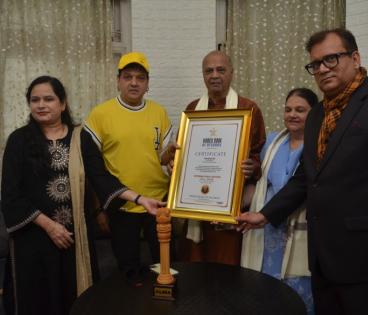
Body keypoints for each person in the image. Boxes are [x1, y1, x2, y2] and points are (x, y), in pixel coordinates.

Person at [237, 28, 368, 315]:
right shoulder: (318, 115)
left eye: (331, 59)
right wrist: (265, 214)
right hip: (322, 259)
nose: (322, 69)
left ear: (356, 57)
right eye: (315, 64)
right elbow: (308, 177)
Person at [0, 76, 164, 314]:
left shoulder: (80, 138)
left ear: (63, 103)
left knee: (75, 300)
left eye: (49, 99)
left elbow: (101, 177)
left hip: (73, 238)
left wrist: (139, 199)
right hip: (33, 238)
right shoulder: (19, 140)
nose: (41, 105)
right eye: (35, 100)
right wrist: (49, 226)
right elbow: (10, 194)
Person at [82, 52, 173, 285]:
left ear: (148, 84)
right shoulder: (99, 115)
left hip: (159, 203)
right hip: (121, 206)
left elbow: (164, 159)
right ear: (118, 80)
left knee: (164, 267)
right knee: (128, 270)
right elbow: (92, 170)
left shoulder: (159, 113)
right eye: (128, 76)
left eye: (140, 78)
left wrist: (173, 160)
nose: (134, 82)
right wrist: (98, 209)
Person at [179, 50, 266, 266]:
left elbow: (259, 153)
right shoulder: (192, 110)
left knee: (227, 269)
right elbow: (186, 153)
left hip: (232, 206)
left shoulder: (248, 108)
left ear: (231, 73)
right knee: (197, 267)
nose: (215, 75)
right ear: (203, 75)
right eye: (209, 70)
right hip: (196, 205)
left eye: (221, 70)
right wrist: (178, 165)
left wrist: (252, 167)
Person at [241, 88, 318, 314]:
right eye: (288, 109)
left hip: (301, 231)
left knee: (298, 296)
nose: (292, 114)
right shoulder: (273, 142)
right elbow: (262, 186)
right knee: (266, 292)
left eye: (300, 110)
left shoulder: (320, 145)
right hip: (268, 230)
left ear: (314, 114)